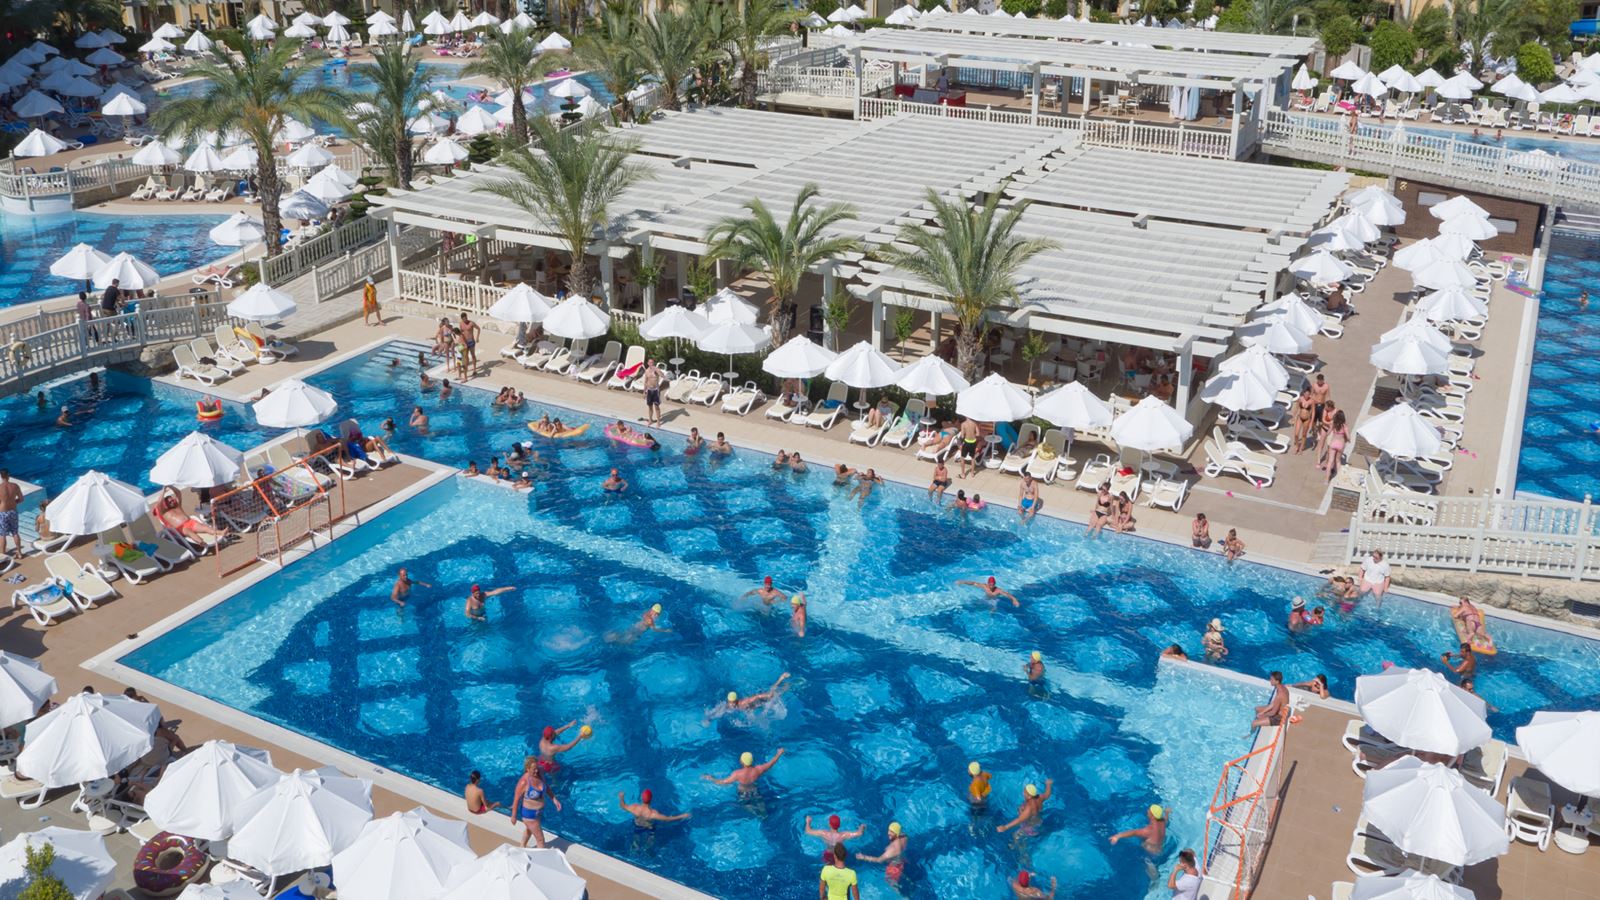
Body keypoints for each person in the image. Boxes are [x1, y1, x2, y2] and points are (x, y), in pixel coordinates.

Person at [512, 756, 561, 848]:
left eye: (537, 768)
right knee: (540, 840)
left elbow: (546, 786)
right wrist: (513, 816)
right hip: (529, 815)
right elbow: (516, 800)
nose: (536, 771)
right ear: (527, 769)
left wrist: (554, 799)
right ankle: (540, 856)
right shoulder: (524, 782)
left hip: (537, 813)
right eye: (534, 769)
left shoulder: (539, 774)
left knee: (529, 830)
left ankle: (522, 846)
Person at [154, 487, 230, 542]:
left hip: (191, 522)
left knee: (205, 528)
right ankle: (201, 542)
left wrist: (170, 486)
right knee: (189, 532)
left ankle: (221, 532)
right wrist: (163, 490)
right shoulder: (164, 512)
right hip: (181, 528)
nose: (172, 502)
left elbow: (178, 493)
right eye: (170, 502)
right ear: (165, 504)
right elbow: (159, 502)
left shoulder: (177, 506)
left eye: (172, 500)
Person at [702, 748, 785, 795]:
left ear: (741, 762)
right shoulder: (758, 769)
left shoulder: (737, 774)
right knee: (760, 806)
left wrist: (710, 778)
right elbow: (771, 763)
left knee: (747, 806)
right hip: (754, 790)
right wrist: (779, 753)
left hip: (743, 792)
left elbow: (723, 782)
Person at [619, 789, 690, 828]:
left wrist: (621, 797)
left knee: (636, 837)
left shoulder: (634, 807)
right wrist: (682, 816)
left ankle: (635, 845)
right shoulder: (652, 814)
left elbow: (623, 806)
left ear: (641, 798)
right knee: (651, 836)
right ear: (651, 799)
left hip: (637, 824)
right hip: (649, 826)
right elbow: (668, 819)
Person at [726, 672, 790, 711]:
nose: (731, 704)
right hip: (757, 705)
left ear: (736, 700)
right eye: (730, 702)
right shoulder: (730, 705)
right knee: (778, 694)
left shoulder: (743, 702)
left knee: (772, 695)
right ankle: (786, 686)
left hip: (760, 700)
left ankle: (781, 678)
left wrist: (766, 695)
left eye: (733, 702)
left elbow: (757, 696)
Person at [1319, 410, 1350, 481]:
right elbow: (1348, 437)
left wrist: (1323, 436)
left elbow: (1328, 432)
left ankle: (1326, 479)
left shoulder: (1333, 424)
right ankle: (1339, 479)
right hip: (1340, 445)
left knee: (1330, 461)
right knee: (1338, 461)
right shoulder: (1344, 426)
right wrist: (1347, 439)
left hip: (1333, 443)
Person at [956, 575, 1020, 609]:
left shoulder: (998, 590)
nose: (991, 586)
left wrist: (1014, 600)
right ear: (988, 583)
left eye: (993, 585)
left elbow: (1008, 595)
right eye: (990, 585)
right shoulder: (985, 586)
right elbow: (973, 583)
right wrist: (963, 582)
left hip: (994, 601)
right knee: (974, 605)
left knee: (993, 611)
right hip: (985, 599)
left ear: (995, 584)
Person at [0, 470, 21, 559]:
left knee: (2, 534)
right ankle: (19, 553)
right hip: (13, 511)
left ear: (1, 477)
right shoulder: (15, 486)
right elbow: (21, 499)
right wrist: (13, 502)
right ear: (8, 476)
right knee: (15, 532)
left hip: (3, 513)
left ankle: (3, 555)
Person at [1291, 386, 1315, 454]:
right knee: (1296, 434)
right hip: (1300, 418)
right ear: (1303, 393)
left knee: (1304, 434)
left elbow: (1313, 412)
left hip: (1307, 419)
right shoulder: (1300, 399)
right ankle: (1297, 446)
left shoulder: (1312, 401)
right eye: (1306, 394)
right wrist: (1293, 418)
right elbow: (1296, 408)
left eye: (1308, 394)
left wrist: (1312, 421)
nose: (1307, 395)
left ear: (1309, 394)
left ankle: (1301, 448)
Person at [642, 360, 664, 427]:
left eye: (652, 362)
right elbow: (646, 382)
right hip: (649, 390)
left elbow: (662, 375)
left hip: (655, 390)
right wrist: (644, 392)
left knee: (657, 407)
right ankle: (650, 420)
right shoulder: (647, 371)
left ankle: (658, 422)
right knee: (650, 407)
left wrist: (657, 369)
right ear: (648, 363)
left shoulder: (656, 370)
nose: (651, 363)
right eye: (650, 362)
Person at [457, 311, 479, 377]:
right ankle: (466, 369)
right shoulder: (461, 324)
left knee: (473, 355)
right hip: (465, 342)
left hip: (471, 341)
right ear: (462, 319)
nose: (466, 320)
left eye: (466, 318)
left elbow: (478, 329)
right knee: (465, 356)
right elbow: (461, 332)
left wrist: (477, 337)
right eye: (464, 319)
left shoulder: (471, 323)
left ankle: (474, 369)